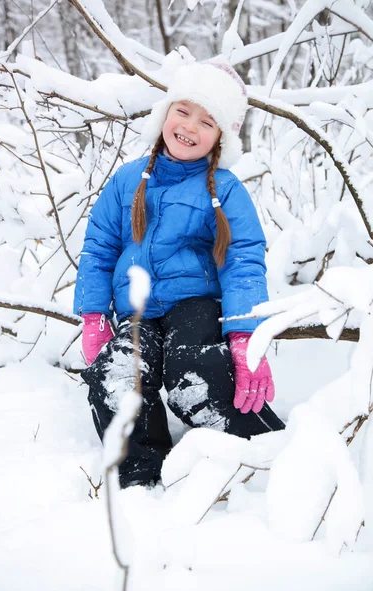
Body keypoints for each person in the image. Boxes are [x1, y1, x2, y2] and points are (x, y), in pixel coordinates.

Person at [74, 61, 285, 488]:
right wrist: (94, 314)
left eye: (207, 121)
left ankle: (262, 450)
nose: (190, 127)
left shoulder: (224, 189)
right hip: (136, 306)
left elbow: (243, 260)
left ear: (222, 136)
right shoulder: (127, 180)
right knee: (117, 374)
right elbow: (98, 248)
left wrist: (245, 335)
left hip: (195, 303)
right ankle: (140, 474)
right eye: (183, 111)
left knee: (192, 369)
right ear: (165, 113)